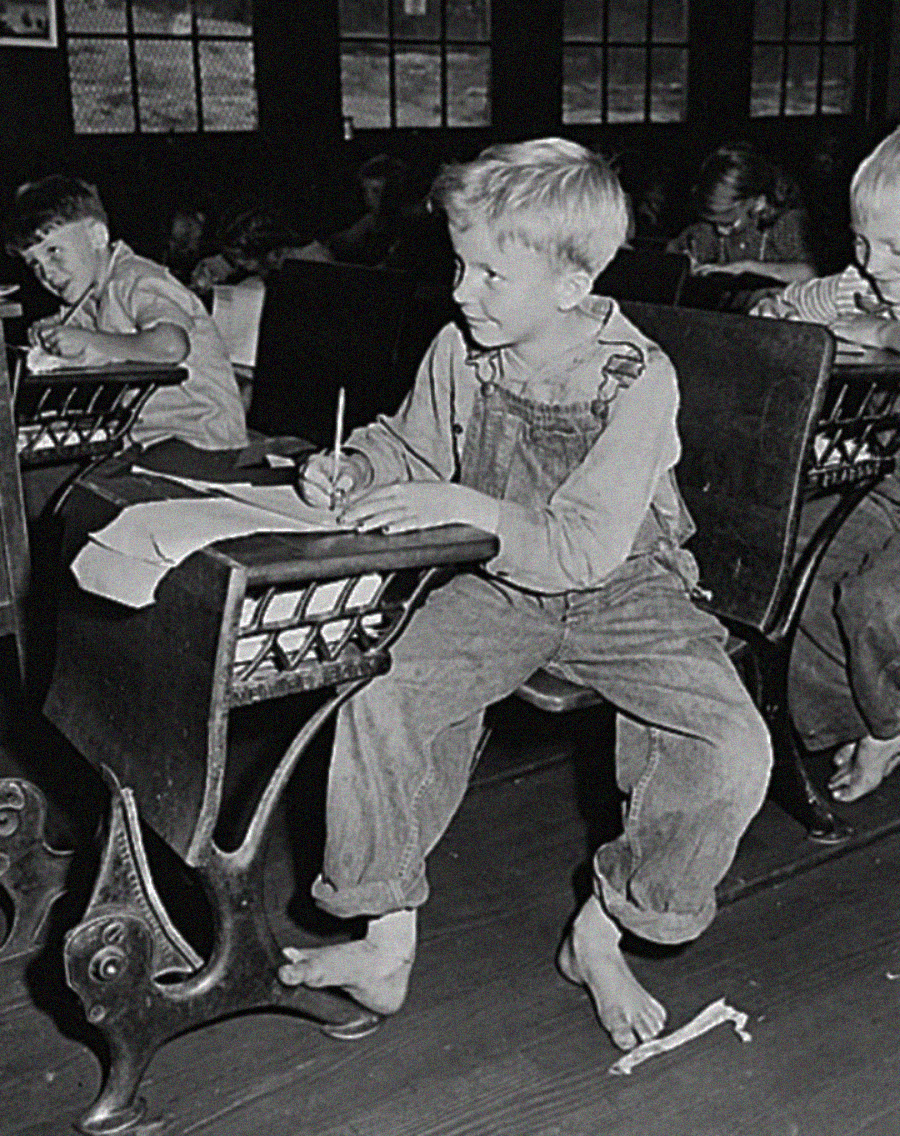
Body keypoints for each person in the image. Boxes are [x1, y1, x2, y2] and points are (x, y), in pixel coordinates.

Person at [280, 138, 773, 1051]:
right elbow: (413, 444)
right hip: (503, 586)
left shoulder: (638, 377)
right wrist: (355, 466)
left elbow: (586, 545)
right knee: (384, 694)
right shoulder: (465, 345)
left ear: (569, 286)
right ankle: (385, 940)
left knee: (733, 745)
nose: (462, 289)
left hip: (625, 584)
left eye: (488, 273)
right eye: (461, 263)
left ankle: (605, 928)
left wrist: (467, 503)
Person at [751, 125, 900, 803]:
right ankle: (863, 714)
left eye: (899, 248)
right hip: (882, 479)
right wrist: (780, 310)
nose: (878, 265)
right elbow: (787, 308)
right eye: (865, 243)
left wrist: (886, 332)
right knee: (804, 565)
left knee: (877, 605)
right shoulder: (868, 281)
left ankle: (887, 726)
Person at [5, 175, 248, 453]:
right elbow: (74, 332)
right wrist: (46, 334)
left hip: (203, 440)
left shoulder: (136, 278)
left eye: (54, 251)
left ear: (97, 235)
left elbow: (171, 345)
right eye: (34, 264)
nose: (46, 272)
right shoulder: (86, 298)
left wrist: (88, 341)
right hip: (147, 439)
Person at [669, 142, 816, 288]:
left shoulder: (786, 222)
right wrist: (686, 262)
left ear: (759, 203)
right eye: (715, 223)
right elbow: (673, 250)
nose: (720, 231)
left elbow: (808, 273)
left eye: (728, 224)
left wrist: (746, 267)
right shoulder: (710, 226)